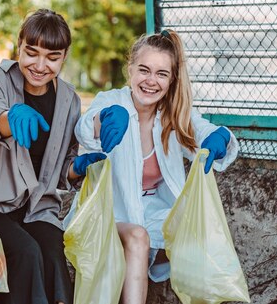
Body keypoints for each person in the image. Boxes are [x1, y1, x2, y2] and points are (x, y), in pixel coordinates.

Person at [72, 29, 239, 303]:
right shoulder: (112, 101)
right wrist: (102, 120)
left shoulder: (172, 114)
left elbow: (201, 129)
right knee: (138, 237)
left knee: (206, 236)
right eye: (144, 70)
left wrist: (219, 136)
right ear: (130, 70)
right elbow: (85, 127)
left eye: (161, 74)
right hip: (109, 211)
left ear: (172, 79)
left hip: (154, 212)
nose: (151, 81)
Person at [0, 9, 104, 304]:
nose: (40, 65)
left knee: (54, 255)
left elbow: (60, 170)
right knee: (26, 253)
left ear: (64, 57)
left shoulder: (68, 98)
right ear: (19, 46)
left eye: (52, 57)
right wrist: (8, 118)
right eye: (31, 53)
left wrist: (77, 167)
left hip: (37, 207)